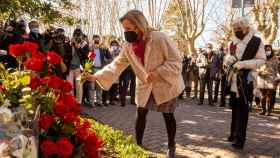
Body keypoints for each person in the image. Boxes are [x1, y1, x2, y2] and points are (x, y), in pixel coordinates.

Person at [85, 10, 184, 158]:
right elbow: (116, 65)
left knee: (168, 115)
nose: (126, 33)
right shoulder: (128, 46)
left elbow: (176, 61)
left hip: (165, 84)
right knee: (140, 113)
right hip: (144, 85)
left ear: (140, 26)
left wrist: (158, 72)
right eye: (124, 29)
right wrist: (96, 76)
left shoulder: (159, 38)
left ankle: (171, 146)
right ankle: (138, 145)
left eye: (129, 29)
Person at [225, 18, 266, 150]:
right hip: (233, 79)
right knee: (235, 108)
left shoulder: (256, 41)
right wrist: (228, 60)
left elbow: (261, 60)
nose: (236, 31)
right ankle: (233, 133)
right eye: (234, 29)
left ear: (247, 28)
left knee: (243, 110)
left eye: (239, 29)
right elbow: (227, 58)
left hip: (246, 80)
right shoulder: (231, 42)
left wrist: (243, 64)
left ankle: (240, 139)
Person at [87, 35, 112, 106]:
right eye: (95, 41)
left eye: (98, 41)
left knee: (99, 86)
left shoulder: (102, 49)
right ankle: (91, 102)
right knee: (91, 87)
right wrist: (92, 50)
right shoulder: (90, 49)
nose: (96, 42)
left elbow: (109, 57)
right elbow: (89, 60)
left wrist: (106, 48)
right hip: (93, 68)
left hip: (100, 69)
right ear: (92, 41)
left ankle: (99, 101)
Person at [256, 45, 279, 116]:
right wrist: (259, 71)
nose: (268, 51)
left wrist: (277, 78)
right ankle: (263, 110)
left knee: (270, 96)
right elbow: (256, 67)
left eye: (269, 50)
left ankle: (269, 111)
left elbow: (277, 69)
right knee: (262, 96)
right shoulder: (260, 58)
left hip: (271, 79)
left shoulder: (275, 58)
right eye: (266, 50)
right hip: (262, 79)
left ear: (271, 50)